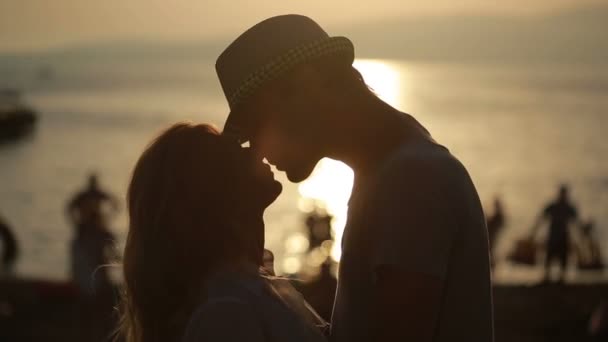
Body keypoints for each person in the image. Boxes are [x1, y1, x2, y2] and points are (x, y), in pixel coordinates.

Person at [216, 15, 493, 342]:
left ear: (307, 85)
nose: (258, 150)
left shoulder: (411, 180)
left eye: (257, 124)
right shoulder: (392, 173)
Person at [115, 123, 328, 342]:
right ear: (208, 187)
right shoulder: (224, 311)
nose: (252, 148)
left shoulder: (243, 289)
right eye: (232, 149)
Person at [66, 173, 119, 295]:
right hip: (86, 229)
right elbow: (69, 207)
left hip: (97, 228)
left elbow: (115, 203)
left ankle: (101, 284)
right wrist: (75, 222)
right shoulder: (83, 195)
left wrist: (108, 218)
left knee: (101, 258)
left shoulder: (98, 194)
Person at [530, 184, 580, 283]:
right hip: (554, 236)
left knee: (562, 257)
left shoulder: (566, 207)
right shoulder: (556, 206)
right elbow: (541, 218)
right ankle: (548, 276)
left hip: (562, 236)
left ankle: (559, 277)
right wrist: (533, 232)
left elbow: (576, 223)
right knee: (550, 257)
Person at [486, 197, 506, 265]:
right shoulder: (499, 216)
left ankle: (490, 263)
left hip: (491, 236)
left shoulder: (498, 216)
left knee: (490, 249)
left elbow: (491, 223)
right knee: (490, 249)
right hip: (491, 236)